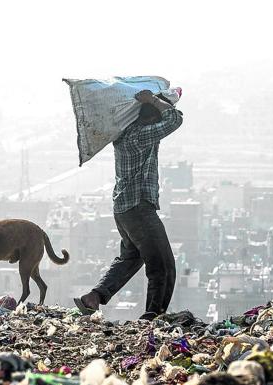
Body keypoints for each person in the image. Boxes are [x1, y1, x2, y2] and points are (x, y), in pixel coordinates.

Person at [74, 89, 184, 320]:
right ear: (151, 117)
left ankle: (93, 298)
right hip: (138, 208)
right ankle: (153, 316)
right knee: (162, 265)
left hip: (124, 209)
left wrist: (160, 100)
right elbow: (175, 118)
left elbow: (169, 115)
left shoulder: (126, 133)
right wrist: (153, 100)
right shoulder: (139, 136)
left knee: (130, 258)